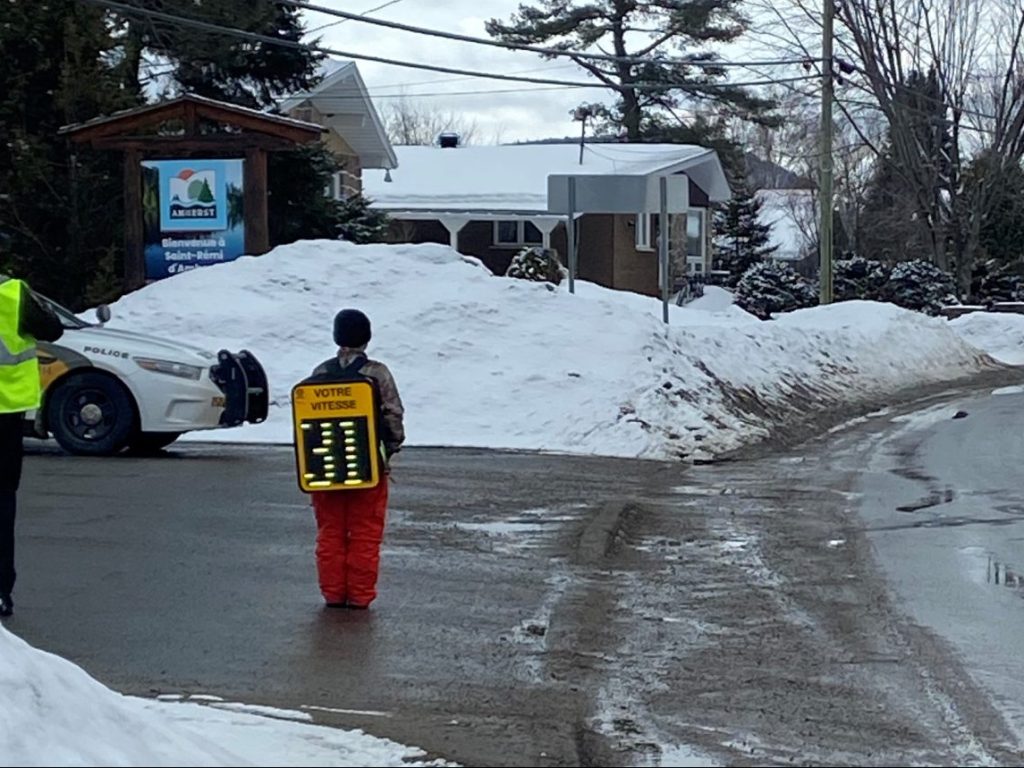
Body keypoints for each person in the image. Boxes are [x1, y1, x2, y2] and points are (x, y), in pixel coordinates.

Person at [307, 309, 404, 610]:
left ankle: (333, 594)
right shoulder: (377, 373)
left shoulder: (320, 373)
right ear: (367, 337)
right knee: (365, 532)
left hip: (325, 468)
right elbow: (393, 414)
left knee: (330, 531)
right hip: (369, 467)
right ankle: (360, 596)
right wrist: (392, 446)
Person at [0, 274, 63, 617]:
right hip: (4, 414)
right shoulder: (12, 292)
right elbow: (52, 329)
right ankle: (0, 591)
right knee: (2, 499)